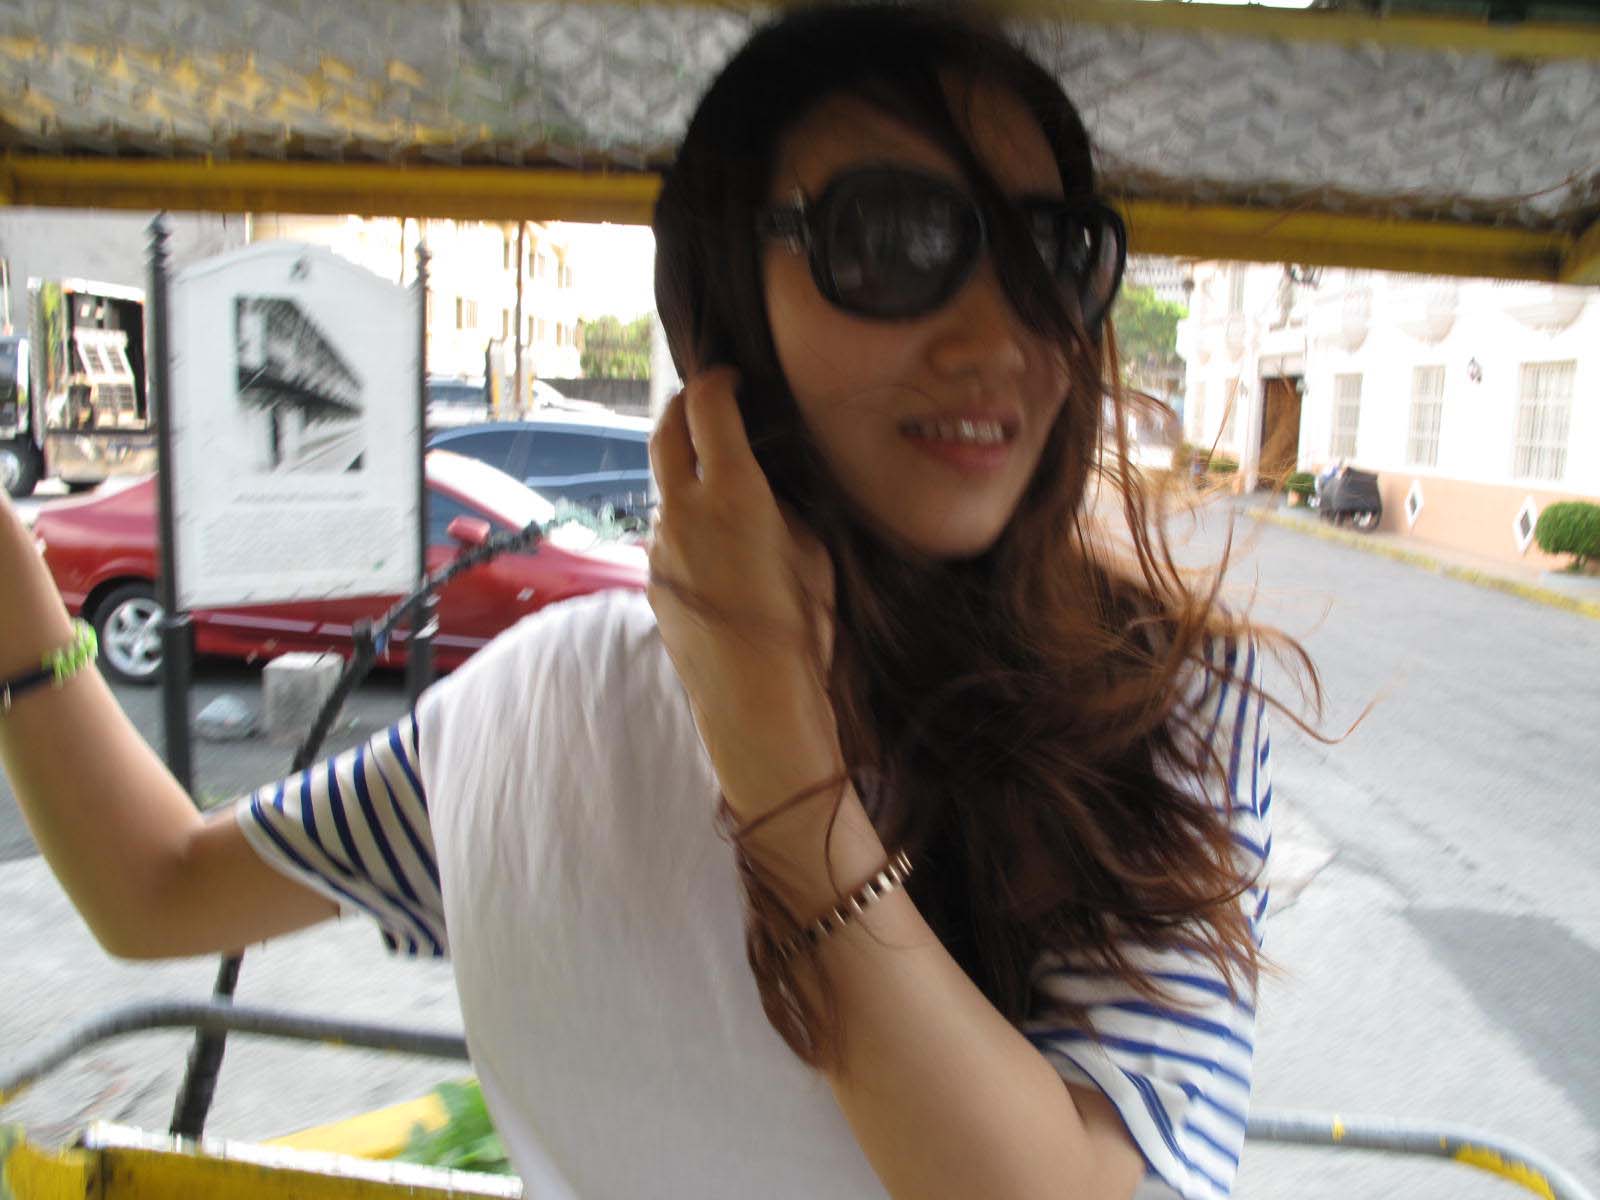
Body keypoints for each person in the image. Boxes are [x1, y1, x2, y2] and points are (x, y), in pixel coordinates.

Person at [0, 6, 1312, 1198]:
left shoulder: (1160, 708)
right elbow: (157, 889)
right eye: (892, 241)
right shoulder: (535, 707)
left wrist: (774, 752)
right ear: (724, 298)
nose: (1001, 336)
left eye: (1051, 252)